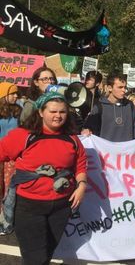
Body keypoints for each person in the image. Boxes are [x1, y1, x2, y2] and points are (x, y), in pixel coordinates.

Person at [0, 92, 87, 264]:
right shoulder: (23, 135)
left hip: (62, 207)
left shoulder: (72, 139)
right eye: (53, 111)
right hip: (29, 207)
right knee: (36, 259)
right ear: (40, 112)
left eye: (62, 112)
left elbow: (81, 163)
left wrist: (82, 185)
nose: (58, 116)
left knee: (46, 254)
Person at [82, 72, 135, 142]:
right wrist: (87, 130)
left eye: (125, 87)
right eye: (120, 87)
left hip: (126, 151)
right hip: (105, 151)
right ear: (110, 88)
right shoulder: (99, 106)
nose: (124, 90)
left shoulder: (129, 105)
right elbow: (89, 128)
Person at [0, 82, 21, 234]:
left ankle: (7, 222)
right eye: (13, 93)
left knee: (10, 192)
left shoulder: (19, 111)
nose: (16, 96)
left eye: (16, 93)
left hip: (13, 159)